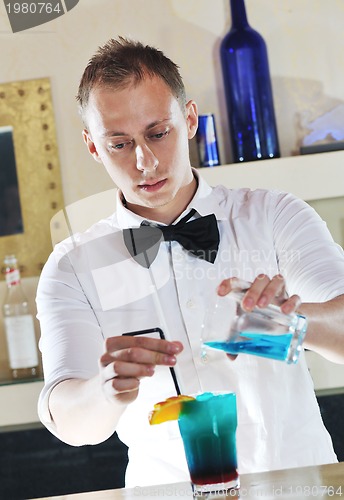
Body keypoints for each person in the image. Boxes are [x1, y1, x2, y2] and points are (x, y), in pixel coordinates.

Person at [36, 37, 344, 488]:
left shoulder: (276, 216)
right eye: (119, 144)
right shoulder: (72, 267)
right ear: (92, 146)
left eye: (158, 133)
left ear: (191, 119)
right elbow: (67, 416)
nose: (144, 161)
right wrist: (105, 389)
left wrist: (292, 319)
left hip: (300, 490)